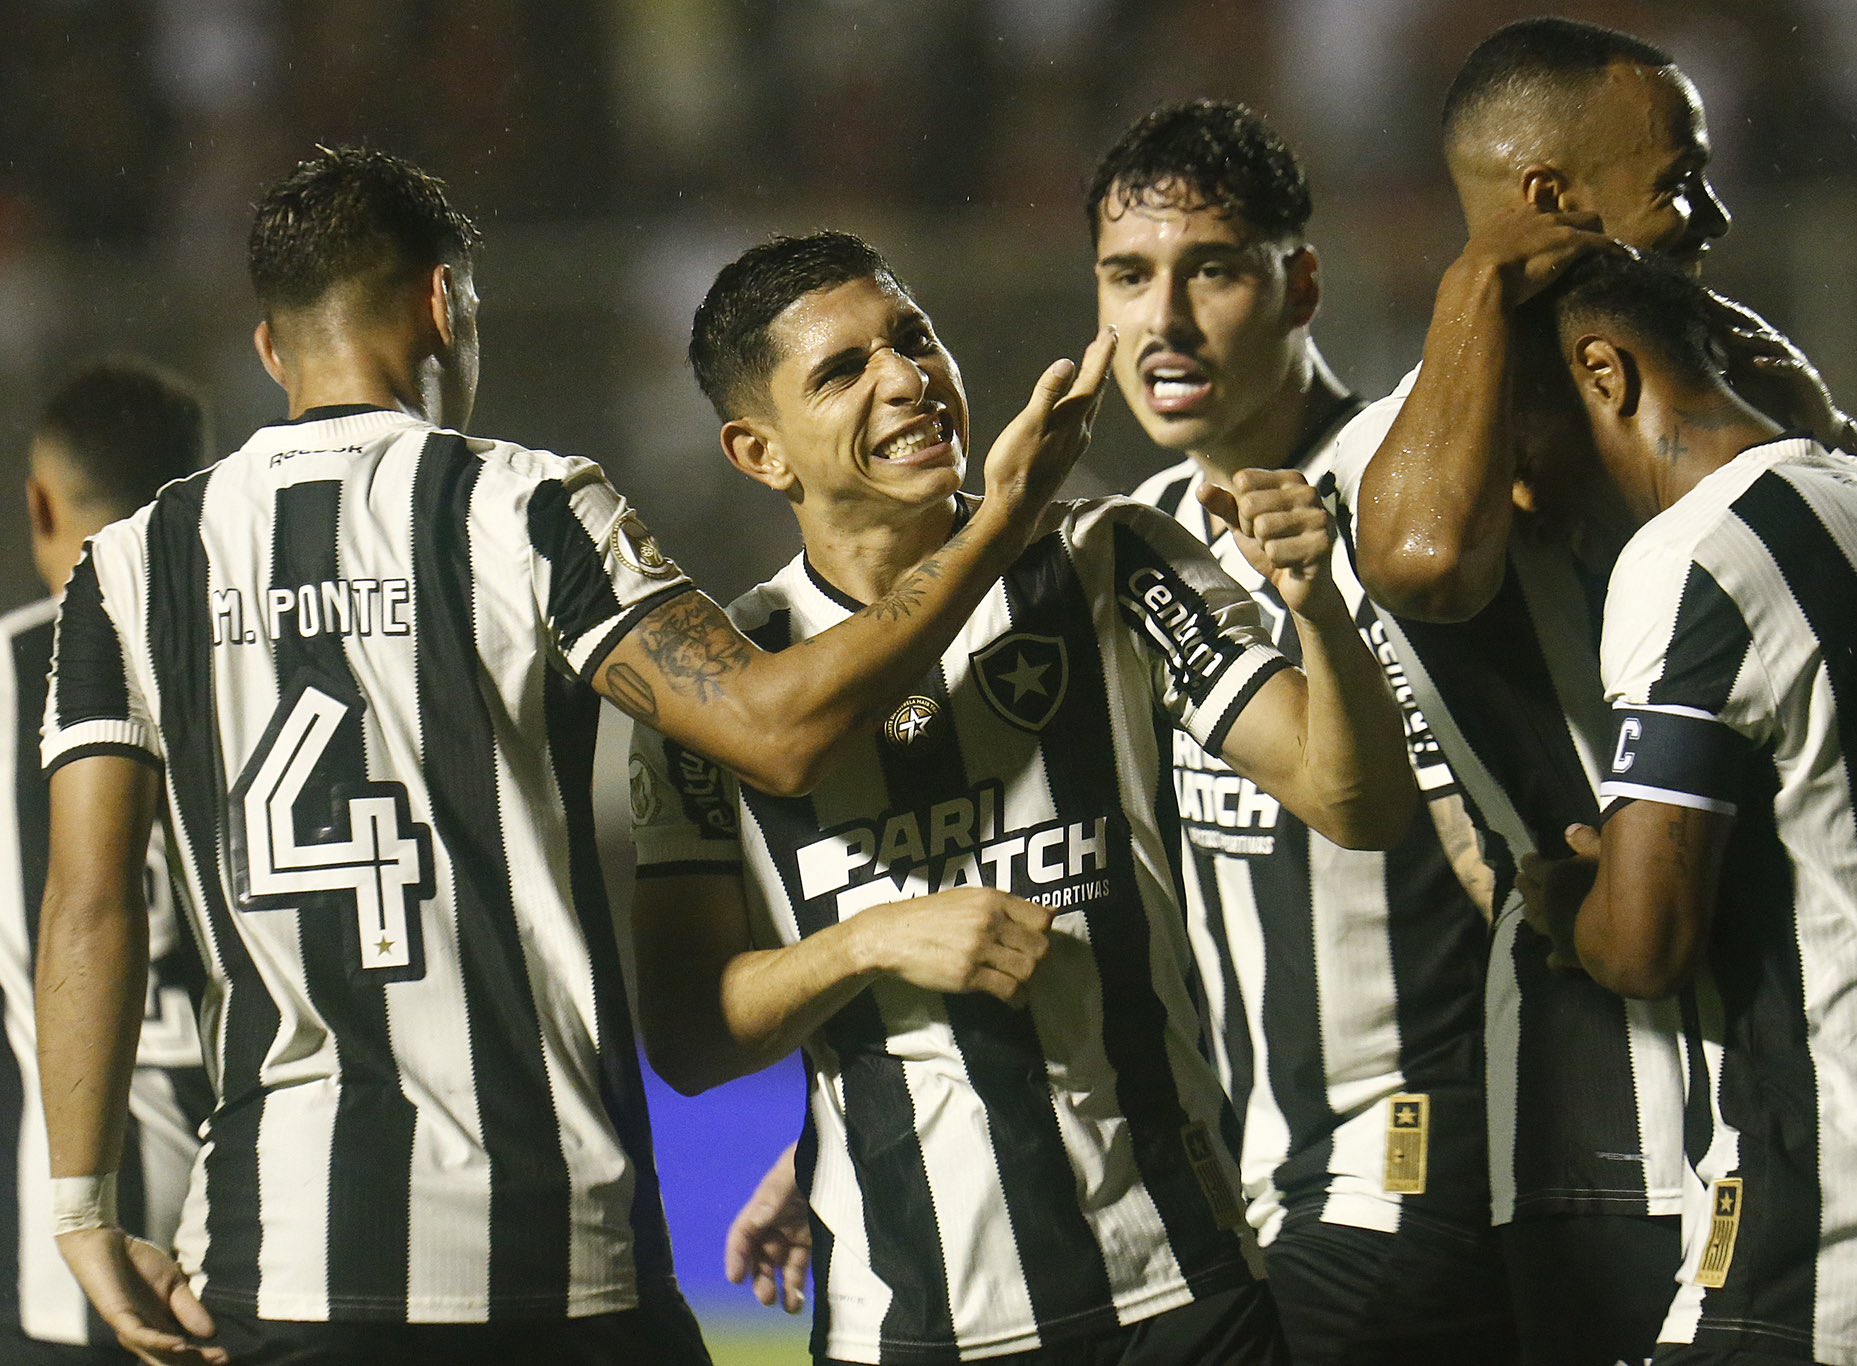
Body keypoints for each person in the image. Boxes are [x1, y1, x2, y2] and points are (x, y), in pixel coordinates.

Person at [34, 147, 1110, 1366]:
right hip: (545, 1258)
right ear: (448, 304)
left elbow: (88, 906)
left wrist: (81, 1206)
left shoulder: (125, 568)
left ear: (272, 350)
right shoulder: (525, 509)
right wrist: (1000, 524)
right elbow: (776, 729)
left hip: (275, 1260)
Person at [630, 229, 1419, 1365]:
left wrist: (1317, 609)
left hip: (1180, 1283)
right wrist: (869, 942)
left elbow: (1357, 804)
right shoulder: (725, 684)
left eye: (911, 338)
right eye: (842, 370)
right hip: (912, 1325)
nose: (906, 377)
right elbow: (693, 1036)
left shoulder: (1103, 558)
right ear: (759, 452)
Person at [1317, 18, 1857, 1364]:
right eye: (1679, 176)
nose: (1712, 212)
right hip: (1607, 1097)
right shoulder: (1434, 442)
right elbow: (1427, 560)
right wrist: (1479, 280)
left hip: (1800, 1059)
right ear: (1551, 206)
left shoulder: (1716, 393)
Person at [1516, 248, 1857, 1366]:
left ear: (1601, 375)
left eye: (1518, 433)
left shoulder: (1691, 558)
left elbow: (1646, 941)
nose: (1514, 489)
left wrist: (1570, 899)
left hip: (1828, 1246)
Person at [1082, 99, 1511, 1364]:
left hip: (1421, 1170)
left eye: (1209, 270)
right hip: (1248, 1187)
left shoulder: (1411, 495)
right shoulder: (1141, 531)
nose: (1161, 321)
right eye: (1126, 276)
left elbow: (1509, 837)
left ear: (1298, 282)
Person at [3, 362, 211, 1363]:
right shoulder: (260, 647)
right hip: (291, 1221)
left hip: (81, 1249)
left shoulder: (9, 672)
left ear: (39, 501)